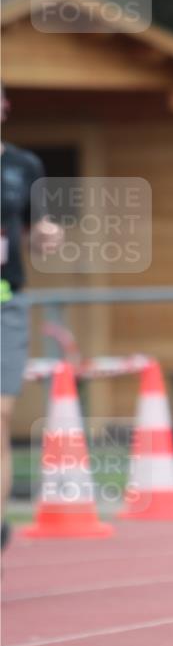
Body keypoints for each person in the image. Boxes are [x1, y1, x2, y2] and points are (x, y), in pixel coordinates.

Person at [1, 85, 62, 550]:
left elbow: (40, 228)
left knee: (0, 413)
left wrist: (45, 234)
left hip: (6, 299)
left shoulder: (24, 166)